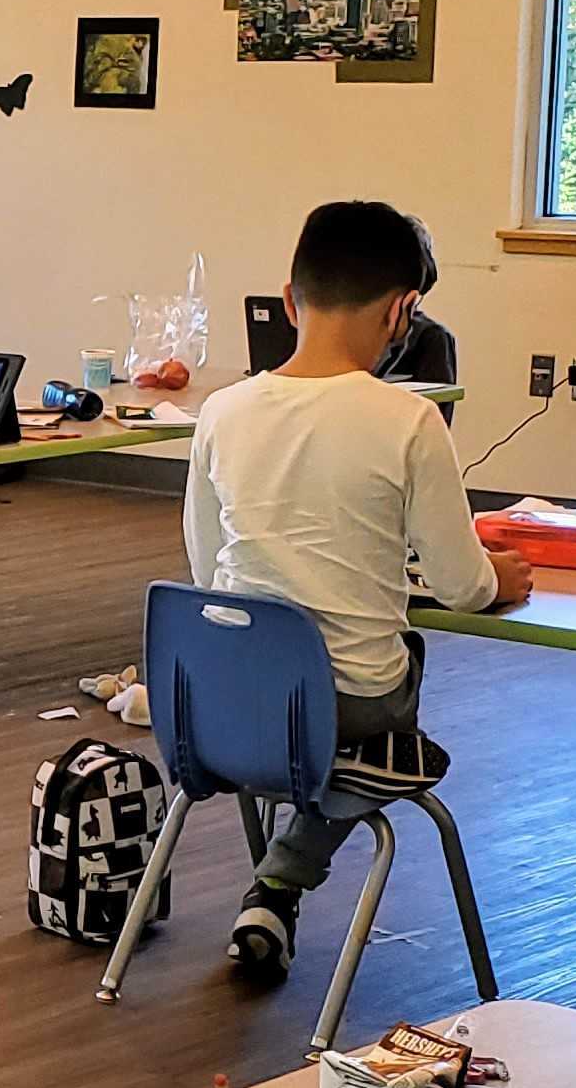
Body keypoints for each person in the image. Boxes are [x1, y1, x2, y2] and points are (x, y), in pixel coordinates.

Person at [186, 201, 526, 984]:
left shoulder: (221, 411)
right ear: (404, 310)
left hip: (226, 703)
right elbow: (461, 586)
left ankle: (274, 884)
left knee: (319, 711)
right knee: (391, 672)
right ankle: (280, 878)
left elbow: (209, 573)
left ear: (289, 295)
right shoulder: (409, 419)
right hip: (349, 706)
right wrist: (498, 575)